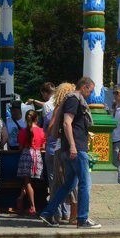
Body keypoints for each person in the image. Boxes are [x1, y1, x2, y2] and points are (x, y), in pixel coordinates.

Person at [39, 77, 101, 230]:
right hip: (76, 149)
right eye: (90, 91)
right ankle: (82, 219)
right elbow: (67, 123)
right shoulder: (74, 99)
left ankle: (48, 213)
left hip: (70, 148)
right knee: (85, 183)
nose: (90, 94)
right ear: (84, 87)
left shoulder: (70, 99)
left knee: (69, 184)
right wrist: (73, 146)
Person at [44, 82, 76, 224]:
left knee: (57, 183)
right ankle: (62, 214)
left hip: (55, 149)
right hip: (60, 149)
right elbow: (52, 128)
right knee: (64, 183)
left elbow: (49, 129)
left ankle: (57, 215)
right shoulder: (63, 107)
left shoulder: (58, 107)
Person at [12, 109, 45, 215]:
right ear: (36, 118)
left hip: (27, 155)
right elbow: (43, 146)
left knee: (27, 181)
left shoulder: (23, 131)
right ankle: (22, 199)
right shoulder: (41, 131)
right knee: (32, 181)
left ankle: (32, 206)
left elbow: (20, 147)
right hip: (37, 155)